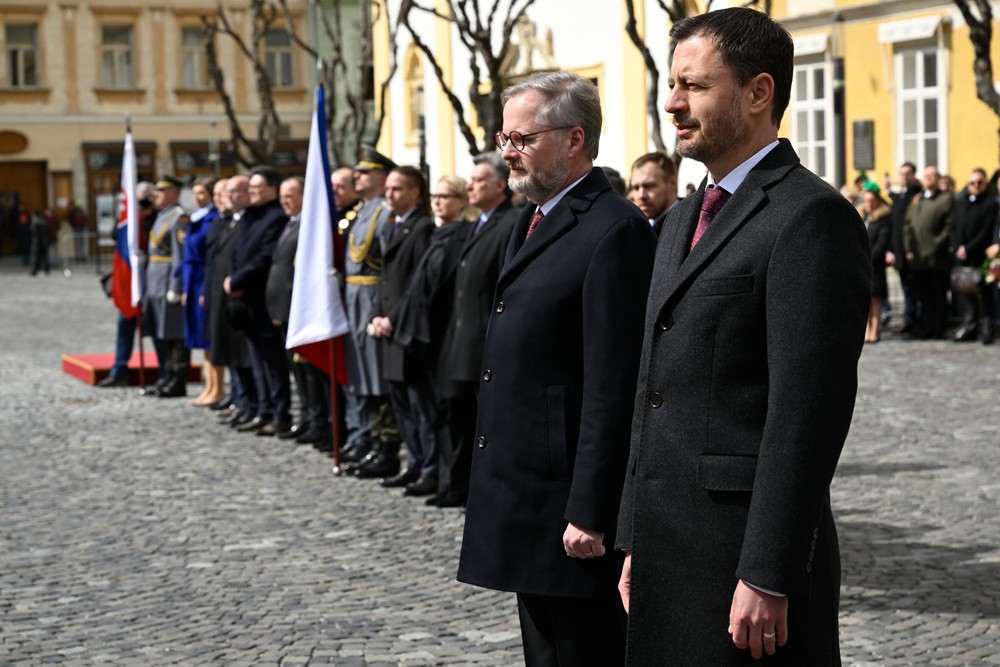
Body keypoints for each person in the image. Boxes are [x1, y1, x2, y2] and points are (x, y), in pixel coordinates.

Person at [615, 8, 871, 665]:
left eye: (694, 86)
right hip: (668, 544)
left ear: (759, 92)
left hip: (744, 563)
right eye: (672, 84)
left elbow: (805, 415)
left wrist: (769, 570)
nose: (672, 102)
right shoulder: (680, 219)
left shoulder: (810, 218)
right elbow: (653, 387)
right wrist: (633, 537)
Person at [457, 71, 657, 666]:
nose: (509, 152)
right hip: (524, 491)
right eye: (505, 138)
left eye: (523, 138)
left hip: (567, 502)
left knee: (581, 652)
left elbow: (613, 383)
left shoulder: (614, 228)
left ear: (574, 139)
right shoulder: (532, 215)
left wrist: (591, 510)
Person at [433, 153, 518, 508]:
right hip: (462, 342)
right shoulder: (478, 224)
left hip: (485, 342)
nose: (470, 185)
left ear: (500, 185)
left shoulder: (510, 221)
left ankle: (489, 492)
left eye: (479, 180)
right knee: (460, 420)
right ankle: (462, 486)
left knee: (490, 426)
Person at [368, 166, 437, 494]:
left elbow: (415, 284)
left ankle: (429, 468)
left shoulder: (421, 228)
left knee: (420, 404)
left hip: (407, 329)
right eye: (388, 189)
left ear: (414, 193)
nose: (389, 195)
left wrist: (391, 317)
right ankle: (415, 462)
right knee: (402, 405)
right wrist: (378, 314)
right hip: (388, 328)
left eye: (397, 189)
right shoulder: (395, 227)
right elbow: (385, 280)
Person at [342, 147, 403, 479]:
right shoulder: (361, 212)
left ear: (381, 177)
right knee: (360, 371)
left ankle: (385, 444)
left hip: (371, 295)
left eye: (364, 173)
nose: (357, 177)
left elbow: (387, 262)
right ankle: (367, 436)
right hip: (355, 293)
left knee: (376, 370)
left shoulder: (383, 213)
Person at [225, 165, 293, 436]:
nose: (251, 193)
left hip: (263, 297)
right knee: (257, 359)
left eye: (257, 188)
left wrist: (239, 280)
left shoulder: (275, 217)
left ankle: (279, 412)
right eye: (250, 188)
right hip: (246, 299)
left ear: (272, 190)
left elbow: (263, 258)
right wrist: (233, 277)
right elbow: (237, 251)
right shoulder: (251, 217)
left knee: (272, 360)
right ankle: (263, 409)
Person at [97, 181, 157, 388]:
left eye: (148, 197)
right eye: (140, 197)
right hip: (132, 281)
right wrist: (136, 214)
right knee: (125, 325)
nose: (144, 201)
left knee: (156, 327)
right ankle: (119, 370)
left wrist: (149, 214)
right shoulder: (130, 217)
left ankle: (168, 370)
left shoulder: (158, 218)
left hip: (152, 280)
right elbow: (116, 235)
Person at [143, 176, 191, 398]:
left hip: (167, 281)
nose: (157, 195)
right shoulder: (162, 216)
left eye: (162, 191)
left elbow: (179, 256)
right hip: (154, 281)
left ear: (174, 192)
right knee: (162, 333)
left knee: (175, 334)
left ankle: (178, 378)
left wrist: (177, 285)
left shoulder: (179, 218)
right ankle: (166, 374)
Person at [181, 176, 223, 406]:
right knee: (201, 335)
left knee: (210, 336)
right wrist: (186, 287)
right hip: (194, 279)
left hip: (205, 279)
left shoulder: (212, 219)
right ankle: (210, 385)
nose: (197, 198)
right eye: (195, 193)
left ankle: (218, 387)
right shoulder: (196, 218)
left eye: (202, 194)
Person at [950, 168, 998, 344]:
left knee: (986, 295)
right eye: (972, 182)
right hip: (963, 257)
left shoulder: (990, 204)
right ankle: (969, 327)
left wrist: (968, 248)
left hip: (982, 257)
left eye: (980, 182)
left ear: (985, 183)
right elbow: (953, 227)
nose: (976, 186)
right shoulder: (960, 202)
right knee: (965, 294)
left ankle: (987, 329)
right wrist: (957, 247)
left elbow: (986, 231)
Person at [904, 166, 952, 339]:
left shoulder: (946, 199)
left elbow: (949, 226)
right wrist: (909, 247)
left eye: (932, 176)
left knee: (939, 295)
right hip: (919, 258)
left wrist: (936, 243)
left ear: (938, 179)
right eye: (926, 176)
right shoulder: (918, 199)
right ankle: (927, 327)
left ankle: (939, 328)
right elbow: (908, 225)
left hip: (937, 258)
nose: (929, 178)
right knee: (924, 297)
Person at [886, 162, 922, 333]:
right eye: (902, 174)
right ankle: (909, 320)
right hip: (899, 251)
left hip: (914, 251)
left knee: (917, 289)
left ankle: (917, 321)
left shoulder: (917, 195)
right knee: (906, 288)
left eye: (908, 173)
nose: (904, 176)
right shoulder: (900, 196)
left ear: (914, 174)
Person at [860, 181, 892, 343]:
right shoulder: (861, 216)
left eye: (872, 201)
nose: (869, 204)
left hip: (875, 264)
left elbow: (882, 241)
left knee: (876, 298)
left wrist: (870, 256)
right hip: (861, 263)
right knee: (864, 298)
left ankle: (875, 329)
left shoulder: (882, 218)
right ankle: (866, 329)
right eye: (867, 201)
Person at [629, 151, 679, 235]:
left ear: (672, 183)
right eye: (636, 188)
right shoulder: (635, 228)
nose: (641, 195)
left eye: (649, 186)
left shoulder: (690, 222)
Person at [29, 209, 52, 275]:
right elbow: (48, 231)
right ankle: (47, 269)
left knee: (36, 257)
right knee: (45, 256)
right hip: (44, 241)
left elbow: (34, 232)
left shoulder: (35, 222)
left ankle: (35, 270)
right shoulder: (44, 221)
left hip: (37, 242)